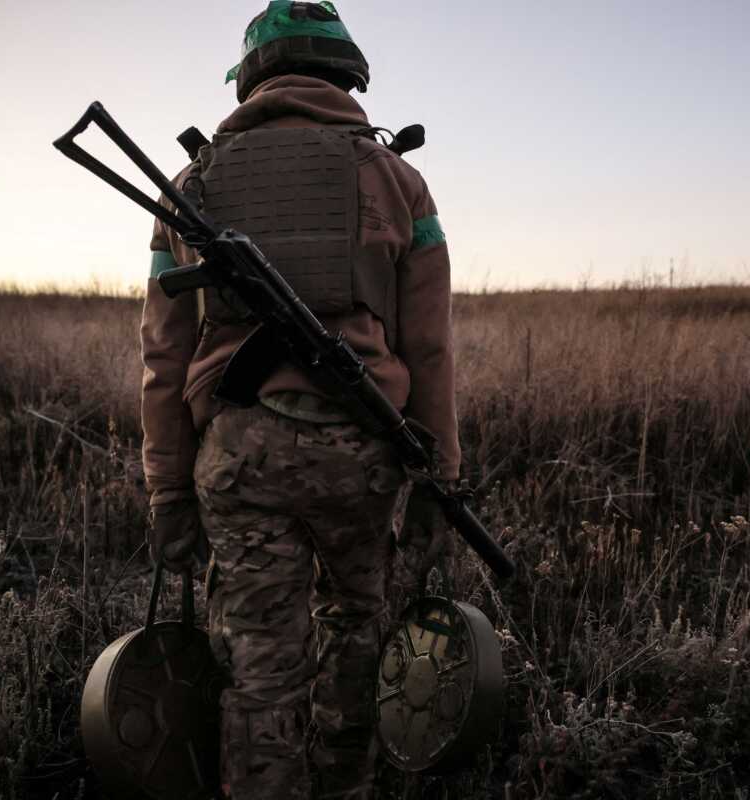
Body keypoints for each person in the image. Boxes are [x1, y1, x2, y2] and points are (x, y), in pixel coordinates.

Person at [138, 3, 460, 797]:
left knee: (259, 665)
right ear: (347, 73)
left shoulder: (192, 185)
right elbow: (431, 349)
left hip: (239, 455)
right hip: (363, 446)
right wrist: (441, 475)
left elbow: (162, 357)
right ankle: (343, 785)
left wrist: (168, 490)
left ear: (252, 77)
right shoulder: (399, 179)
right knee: (357, 626)